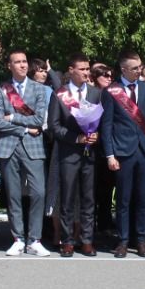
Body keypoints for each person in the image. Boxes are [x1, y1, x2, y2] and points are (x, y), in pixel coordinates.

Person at [0, 50, 51, 257]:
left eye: (24, 61)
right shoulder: (1, 90)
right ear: (9, 66)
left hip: (33, 147)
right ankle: (18, 238)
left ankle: (35, 239)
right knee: (13, 195)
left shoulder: (39, 89)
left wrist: (12, 117)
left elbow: (38, 120)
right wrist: (23, 128)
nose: (23, 65)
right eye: (17, 62)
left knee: (39, 192)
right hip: (8, 147)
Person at [101, 52, 145, 258]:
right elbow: (106, 125)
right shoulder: (111, 91)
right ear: (124, 69)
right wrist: (110, 154)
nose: (139, 71)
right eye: (135, 68)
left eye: (140, 67)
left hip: (143, 150)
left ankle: (141, 240)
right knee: (124, 200)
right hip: (123, 152)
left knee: (143, 198)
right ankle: (123, 240)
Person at [48, 55, 101, 257]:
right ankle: (67, 240)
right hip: (69, 153)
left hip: (90, 154)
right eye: (82, 69)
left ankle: (87, 240)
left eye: (88, 69)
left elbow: (102, 122)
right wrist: (76, 138)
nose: (86, 72)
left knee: (88, 198)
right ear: (71, 70)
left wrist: (96, 136)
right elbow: (54, 126)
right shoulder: (59, 94)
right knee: (68, 199)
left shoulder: (96, 93)